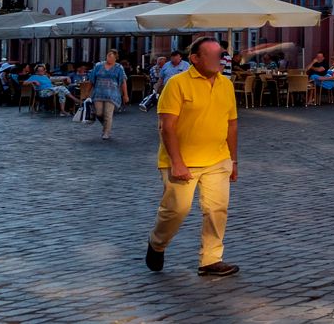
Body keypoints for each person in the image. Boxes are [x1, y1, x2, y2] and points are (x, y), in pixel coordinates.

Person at [146, 36, 240, 278]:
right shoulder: (177, 84)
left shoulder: (226, 84)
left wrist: (233, 160)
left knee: (217, 210)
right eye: (213, 55)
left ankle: (211, 259)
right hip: (182, 161)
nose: (221, 59)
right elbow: (166, 127)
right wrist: (177, 162)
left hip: (217, 159)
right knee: (176, 210)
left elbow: (232, 125)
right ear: (195, 59)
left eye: (221, 54)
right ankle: (157, 243)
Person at [91, 50, 129, 140]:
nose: (109, 59)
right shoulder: (98, 66)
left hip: (112, 94)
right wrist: (87, 92)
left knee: (108, 113)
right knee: (98, 112)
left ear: (116, 58)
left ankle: (106, 132)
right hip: (98, 93)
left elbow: (123, 81)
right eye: (108, 56)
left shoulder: (119, 67)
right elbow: (92, 79)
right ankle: (106, 125)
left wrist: (125, 95)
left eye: (112, 57)